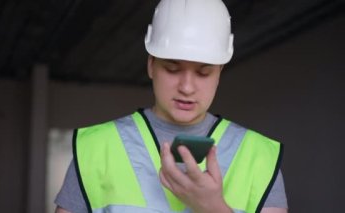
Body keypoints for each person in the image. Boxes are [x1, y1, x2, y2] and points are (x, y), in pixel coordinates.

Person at [55, 0, 288, 212]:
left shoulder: (259, 157)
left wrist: (213, 208)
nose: (187, 87)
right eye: (172, 69)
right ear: (151, 65)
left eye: (203, 72)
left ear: (219, 74)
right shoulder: (96, 148)